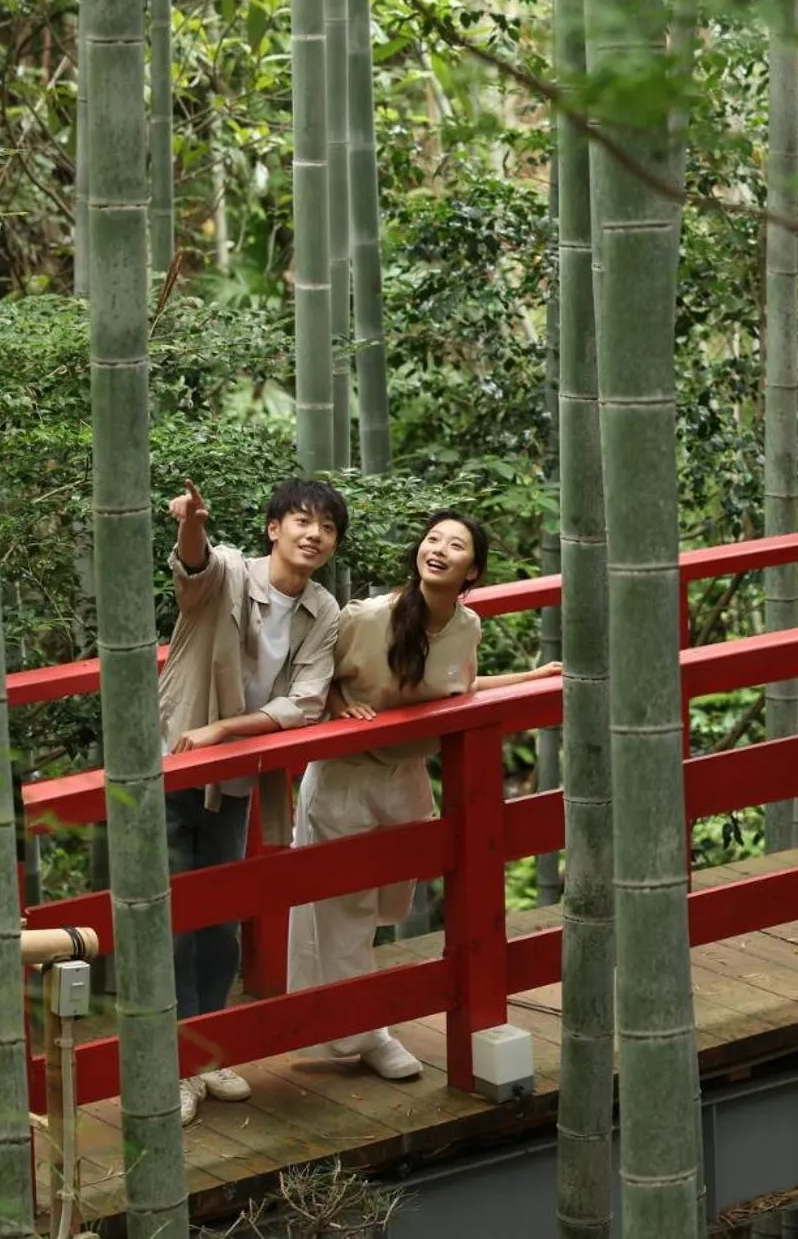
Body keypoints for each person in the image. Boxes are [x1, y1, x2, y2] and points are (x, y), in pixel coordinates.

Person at [288, 510, 560, 1080]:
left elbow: (461, 685)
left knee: (389, 904)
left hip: (406, 775)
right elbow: (309, 679)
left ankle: (340, 1020)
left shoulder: (467, 625)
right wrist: (338, 707)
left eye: (455, 545)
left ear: (472, 570)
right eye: (433, 539)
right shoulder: (368, 617)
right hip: (344, 775)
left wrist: (532, 678)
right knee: (346, 912)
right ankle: (363, 1038)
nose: (438, 549)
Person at [161, 476, 347, 1127]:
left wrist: (227, 732)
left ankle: (208, 1051)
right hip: (176, 763)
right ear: (274, 528)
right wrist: (192, 522)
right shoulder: (232, 575)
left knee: (221, 916)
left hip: (236, 772)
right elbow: (195, 568)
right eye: (300, 520)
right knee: (175, 916)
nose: (312, 534)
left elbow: (304, 702)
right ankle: (176, 1062)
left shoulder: (322, 610)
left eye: (326, 527)